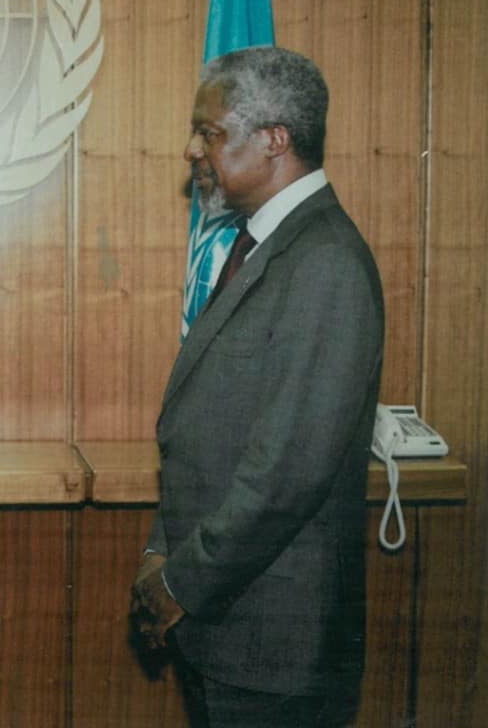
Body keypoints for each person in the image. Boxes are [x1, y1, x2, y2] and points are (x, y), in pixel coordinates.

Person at [130, 47, 385, 727]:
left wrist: (179, 582)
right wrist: (162, 551)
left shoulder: (325, 263)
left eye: (209, 132)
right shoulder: (262, 247)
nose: (192, 150)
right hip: (227, 626)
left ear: (273, 140)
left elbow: (287, 472)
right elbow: (202, 431)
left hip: (274, 642)